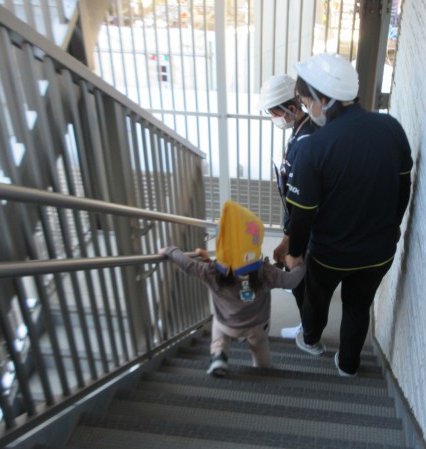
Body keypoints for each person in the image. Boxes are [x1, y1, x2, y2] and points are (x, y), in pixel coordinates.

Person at [284, 53, 413, 377]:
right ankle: (348, 365)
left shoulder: (315, 148)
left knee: (316, 299)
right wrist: (393, 228)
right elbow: (403, 186)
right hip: (378, 251)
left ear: (323, 99)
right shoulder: (391, 128)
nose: (307, 109)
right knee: (359, 305)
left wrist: (295, 253)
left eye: (306, 102)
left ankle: (311, 340)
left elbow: (302, 214)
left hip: (331, 254)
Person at [159, 200, 305, 377]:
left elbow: (189, 266)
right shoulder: (266, 272)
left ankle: (219, 357)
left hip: (228, 324)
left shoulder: (212, 272)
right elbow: (292, 281)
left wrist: (170, 251)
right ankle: (263, 368)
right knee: (260, 347)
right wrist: (300, 265)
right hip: (258, 326)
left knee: (217, 329)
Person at [258, 74, 318, 339]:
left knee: (302, 280)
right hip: (298, 224)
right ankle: (308, 323)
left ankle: (308, 330)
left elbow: (302, 202)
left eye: (274, 113)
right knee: (299, 276)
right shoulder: (300, 132)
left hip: (307, 227)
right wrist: (287, 236)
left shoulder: (307, 140)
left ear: (292, 108)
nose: (273, 118)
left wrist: (291, 244)